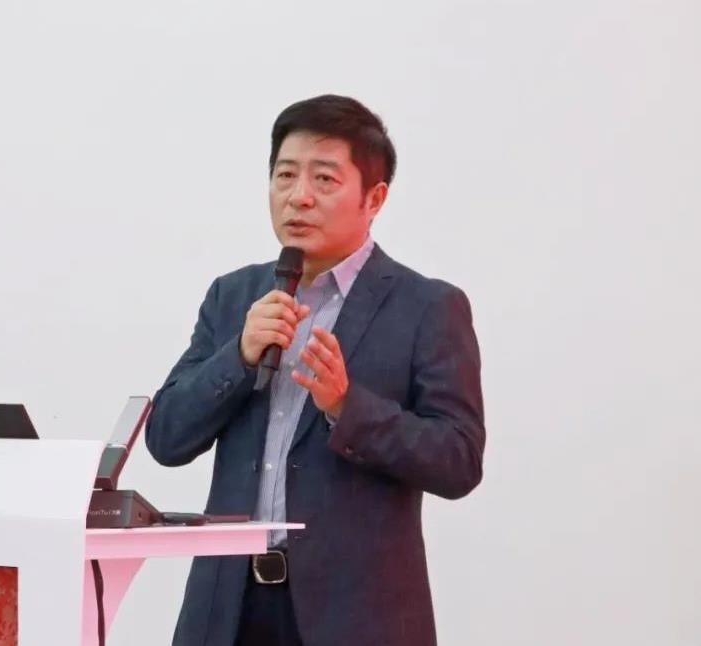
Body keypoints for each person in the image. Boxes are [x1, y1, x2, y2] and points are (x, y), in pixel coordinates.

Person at [144, 94, 485, 646]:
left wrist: (347, 408)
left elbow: (459, 461)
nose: (298, 196)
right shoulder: (234, 296)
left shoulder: (427, 307)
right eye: (285, 175)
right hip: (227, 613)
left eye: (324, 179)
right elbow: (166, 438)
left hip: (356, 620)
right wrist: (239, 355)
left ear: (374, 198)